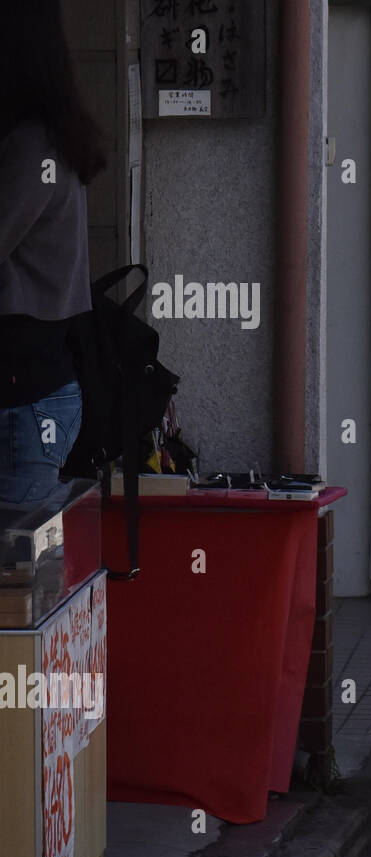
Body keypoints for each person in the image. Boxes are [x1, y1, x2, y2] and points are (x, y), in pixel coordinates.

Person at [0, 0, 104, 508]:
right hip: (40, 385)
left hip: (26, 394)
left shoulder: (33, 147)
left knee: (18, 573)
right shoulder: (51, 138)